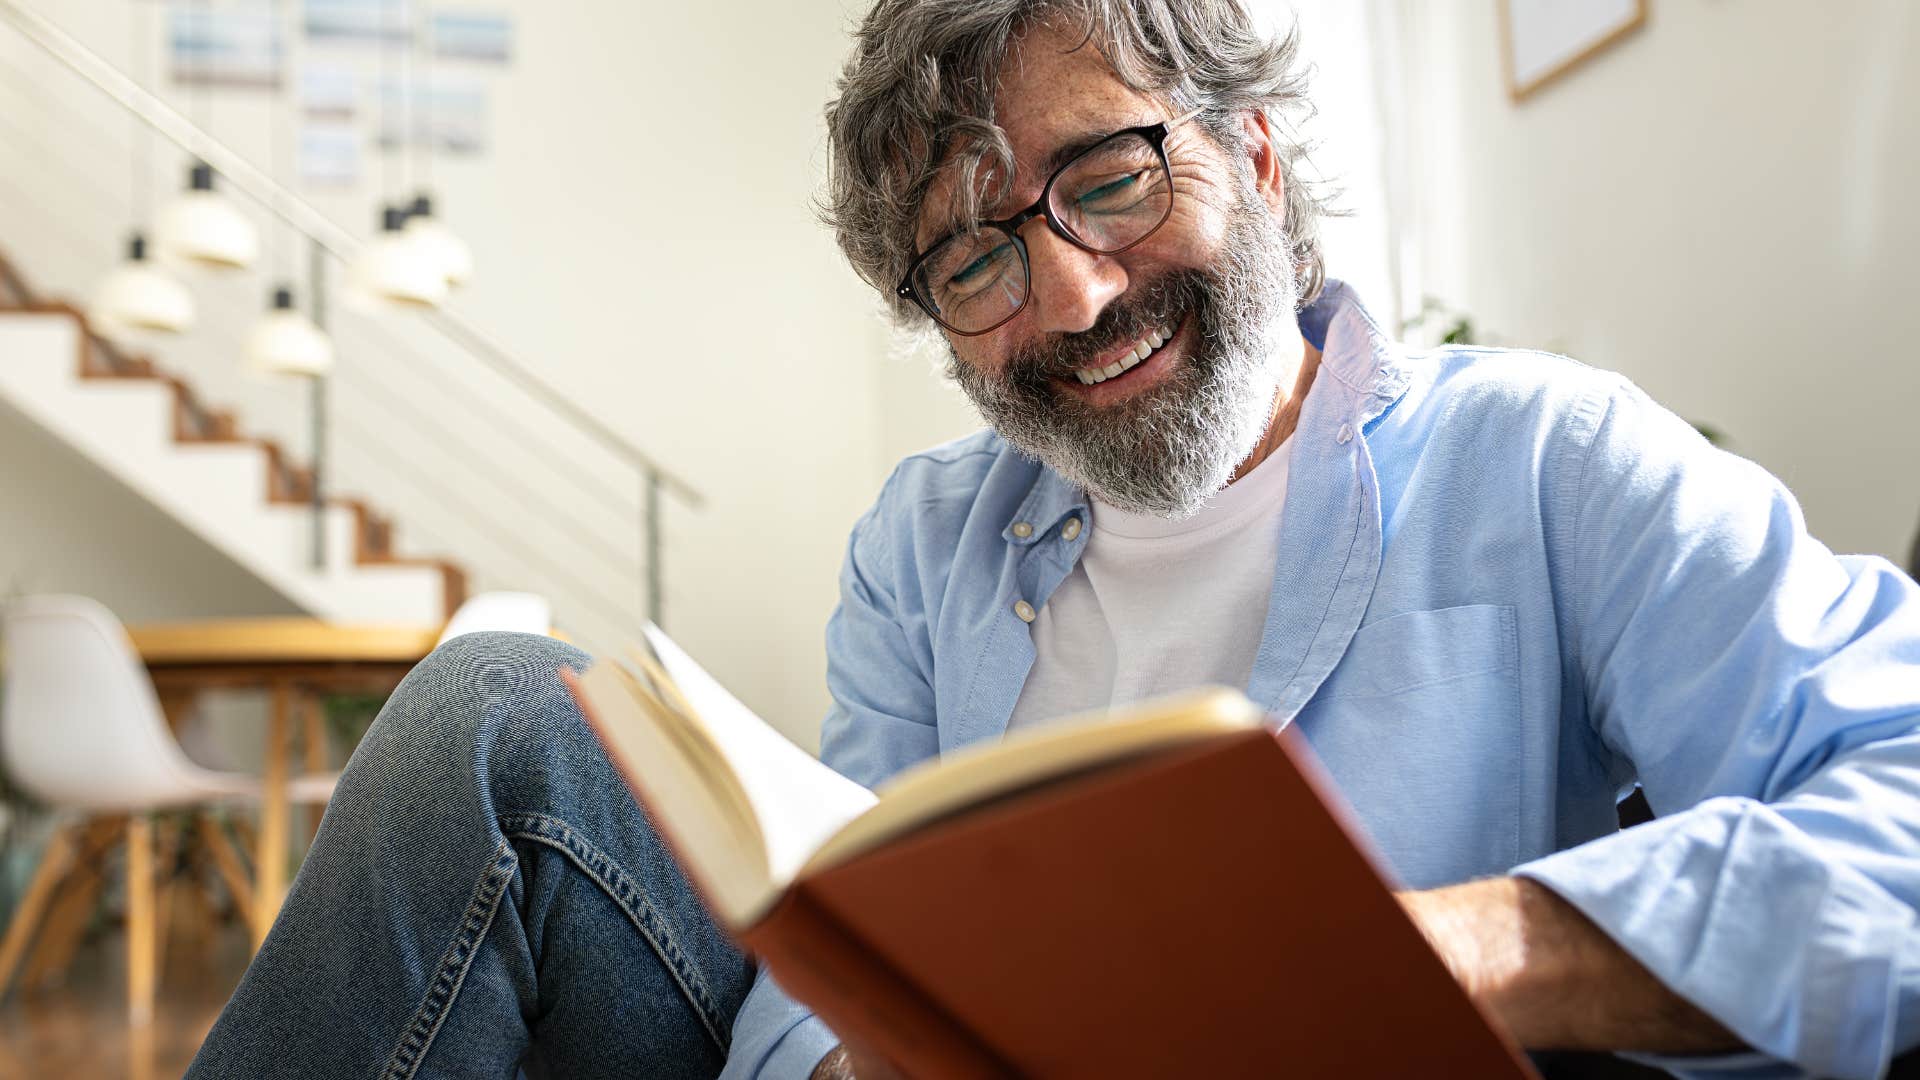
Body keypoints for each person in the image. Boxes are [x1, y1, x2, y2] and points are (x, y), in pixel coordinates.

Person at [188, 2, 1920, 1078]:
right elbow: (814, 966)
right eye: (977, 258)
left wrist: (1460, 952)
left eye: (1109, 178)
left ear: (1254, 154)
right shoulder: (922, 544)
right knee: (498, 715)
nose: (1075, 295)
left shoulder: (1547, 457)